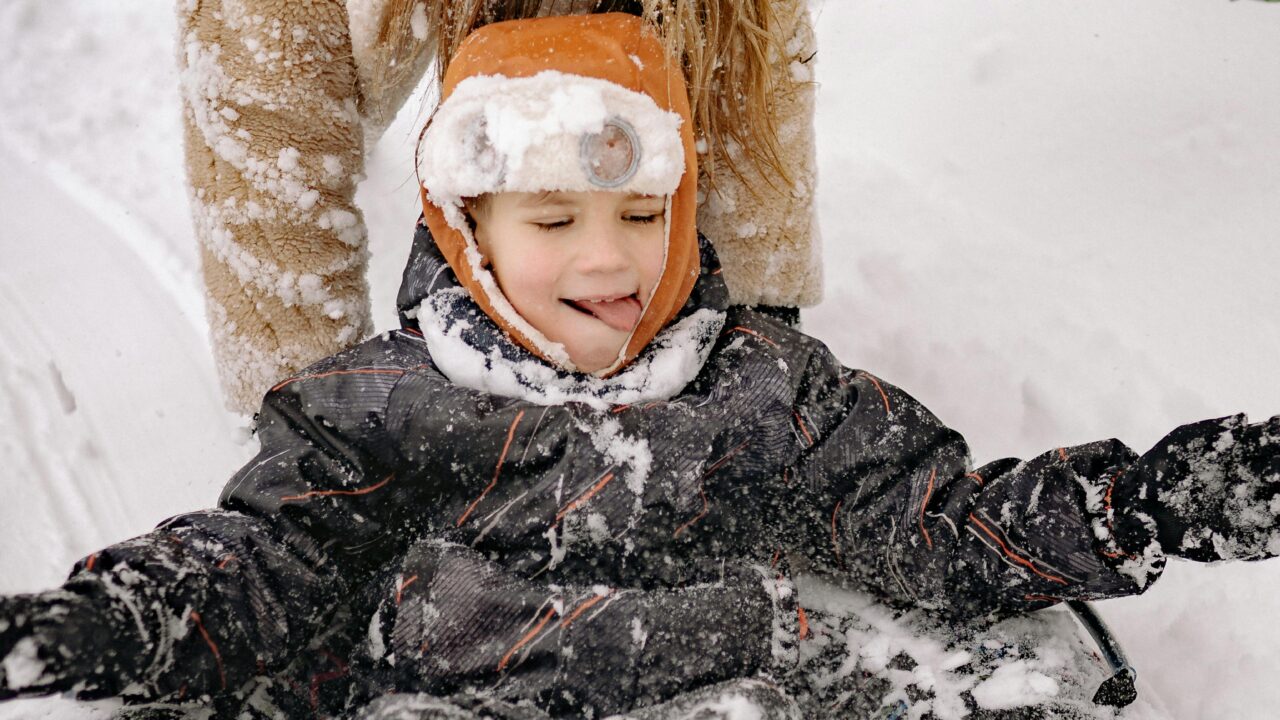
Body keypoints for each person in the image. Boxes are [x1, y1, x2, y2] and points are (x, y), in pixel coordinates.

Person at [3, 12, 1278, 720]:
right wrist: (122, 616)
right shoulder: (380, 404)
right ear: (466, 232)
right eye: (551, 225)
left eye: (639, 217)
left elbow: (930, 527)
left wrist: (1150, 499)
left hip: (714, 679)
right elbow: (271, 564)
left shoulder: (762, 385)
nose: (607, 263)